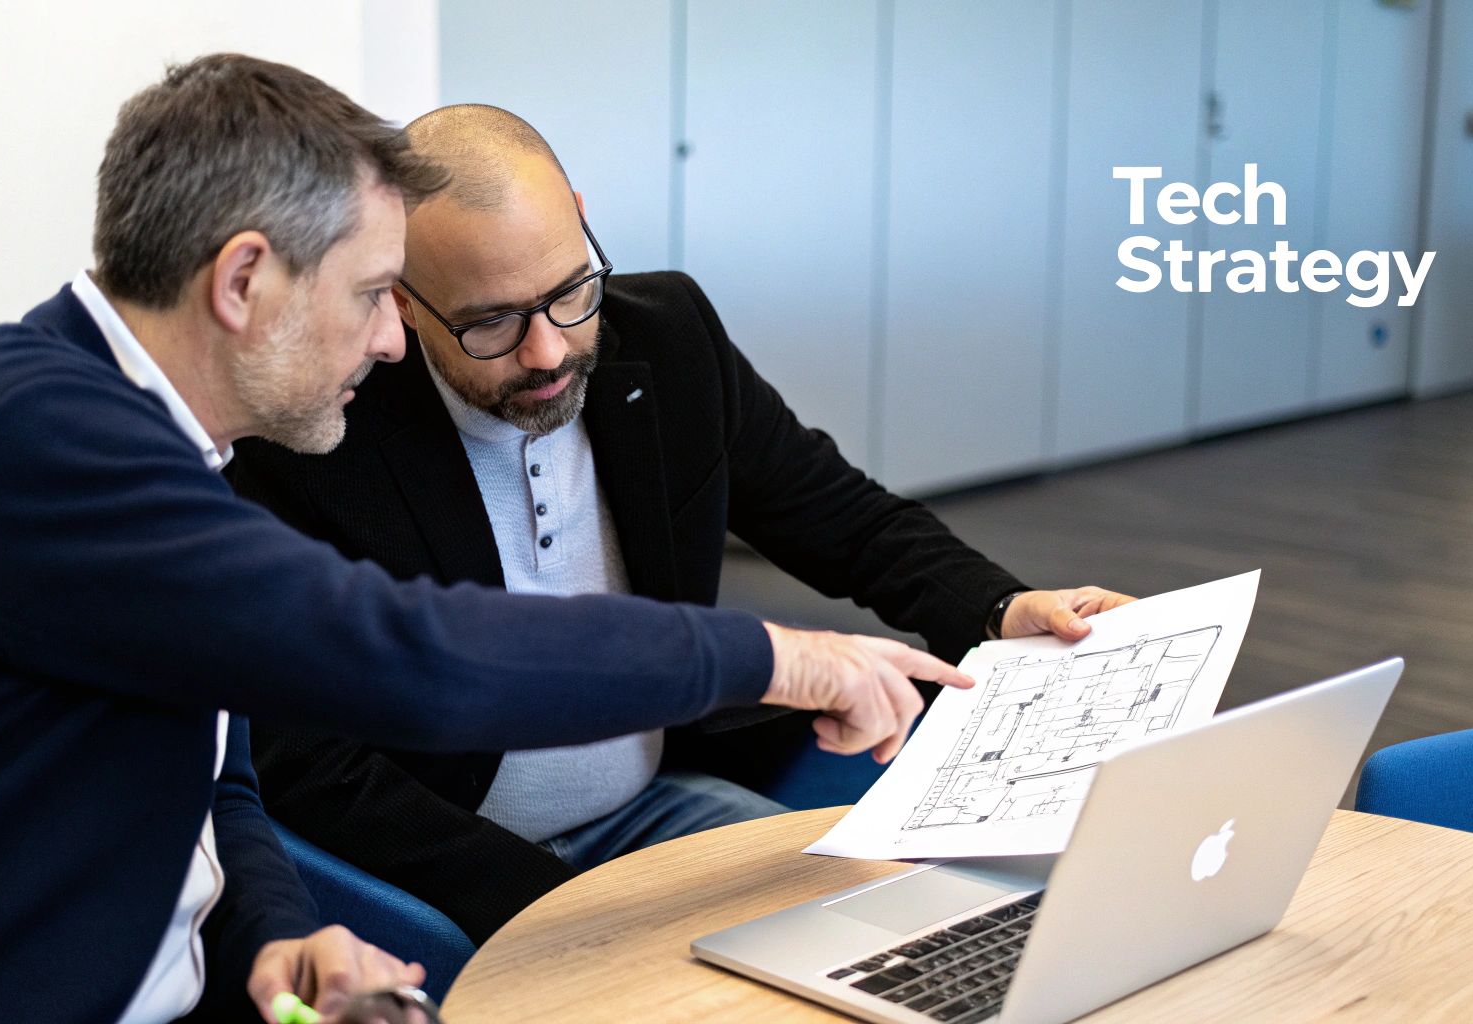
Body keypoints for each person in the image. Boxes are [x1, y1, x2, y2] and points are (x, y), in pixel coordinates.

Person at [0, 58, 968, 1024]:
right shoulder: (24, 438)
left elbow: (215, 772)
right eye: (376, 292)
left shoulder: (145, 440)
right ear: (244, 281)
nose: (392, 340)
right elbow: (409, 654)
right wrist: (776, 656)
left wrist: (276, 940)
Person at [226, 104, 1135, 943]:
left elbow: (840, 514)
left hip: (653, 804)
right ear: (399, 297)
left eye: (569, 291)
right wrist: (550, 904)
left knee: (883, 937)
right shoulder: (315, 433)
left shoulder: (667, 335)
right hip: (450, 852)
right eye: (490, 324)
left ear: (580, 219)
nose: (548, 350)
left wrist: (1000, 609)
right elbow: (306, 760)